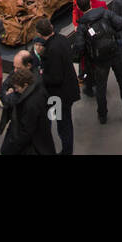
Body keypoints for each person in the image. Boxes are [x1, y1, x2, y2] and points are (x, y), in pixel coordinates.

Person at [76, 0, 122, 123]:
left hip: (99, 59)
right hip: (115, 52)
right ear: (90, 3)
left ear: (79, 8)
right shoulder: (105, 13)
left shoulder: (82, 25)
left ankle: (102, 115)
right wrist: (112, 33)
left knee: (101, 87)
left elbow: (79, 47)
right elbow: (121, 23)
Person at [36, 18, 80, 155]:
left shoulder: (51, 50)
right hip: (69, 88)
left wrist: (41, 75)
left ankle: (67, 151)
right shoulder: (62, 39)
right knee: (64, 122)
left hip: (60, 95)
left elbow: (55, 78)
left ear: (39, 34)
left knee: (63, 124)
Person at [0, 68, 55, 156]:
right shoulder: (38, 88)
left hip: (33, 144)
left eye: (17, 88)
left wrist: (12, 148)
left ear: (25, 85)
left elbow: (26, 132)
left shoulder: (30, 104)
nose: (16, 90)